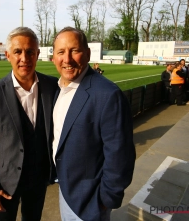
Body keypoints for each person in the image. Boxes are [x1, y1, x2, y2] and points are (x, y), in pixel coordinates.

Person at [0, 27, 58, 221]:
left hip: (38, 180)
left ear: (37, 54)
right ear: (8, 55)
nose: (24, 58)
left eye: (30, 52)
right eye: (18, 52)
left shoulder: (53, 86)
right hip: (4, 186)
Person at [52, 26, 136, 221]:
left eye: (75, 50)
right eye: (61, 52)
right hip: (65, 188)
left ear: (88, 54)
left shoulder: (107, 94)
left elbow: (120, 154)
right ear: (53, 57)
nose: (67, 59)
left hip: (91, 200)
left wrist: (107, 198)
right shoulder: (58, 89)